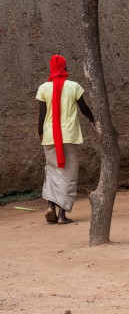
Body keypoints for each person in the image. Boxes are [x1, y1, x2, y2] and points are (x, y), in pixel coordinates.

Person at [37, 55, 94, 224]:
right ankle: (61, 216)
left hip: (49, 136)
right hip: (69, 135)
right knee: (68, 175)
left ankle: (50, 207)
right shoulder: (74, 86)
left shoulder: (43, 88)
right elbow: (83, 108)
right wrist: (93, 119)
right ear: (65, 68)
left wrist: (40, 132)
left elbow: (41, 114)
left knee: (52, 172)